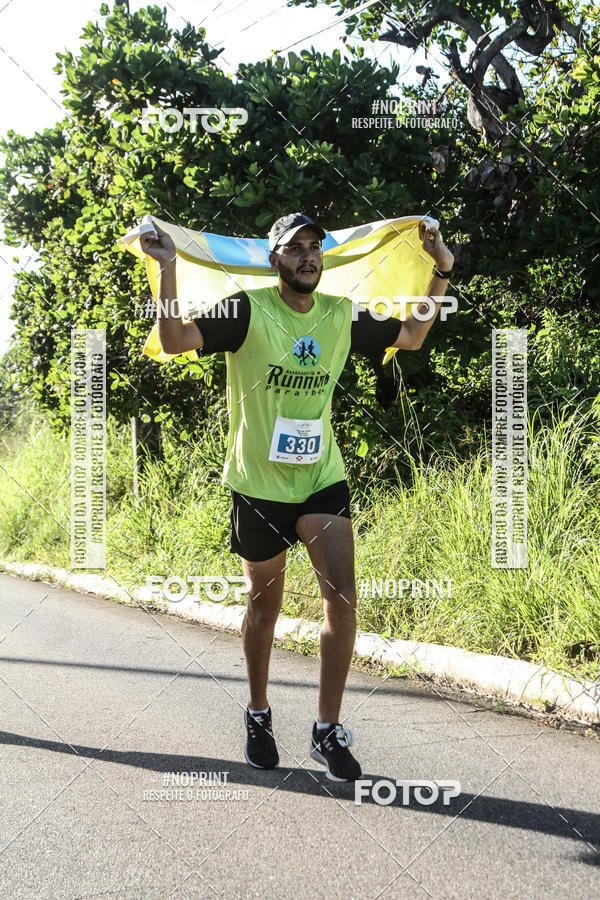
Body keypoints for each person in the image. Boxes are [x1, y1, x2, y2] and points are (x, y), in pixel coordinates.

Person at [140, 212, 454, 781]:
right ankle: (258, 713)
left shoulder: (340, 315)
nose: (307, 256)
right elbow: (175, 339)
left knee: (343, 596)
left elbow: (411, 334)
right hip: (258, 486)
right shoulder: (248, 309)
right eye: (294, 249)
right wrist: (166, 269)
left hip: (319, 478)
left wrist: (442, 272)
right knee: (265, 608)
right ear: (273, 259)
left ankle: (326, 729)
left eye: (314, 247)